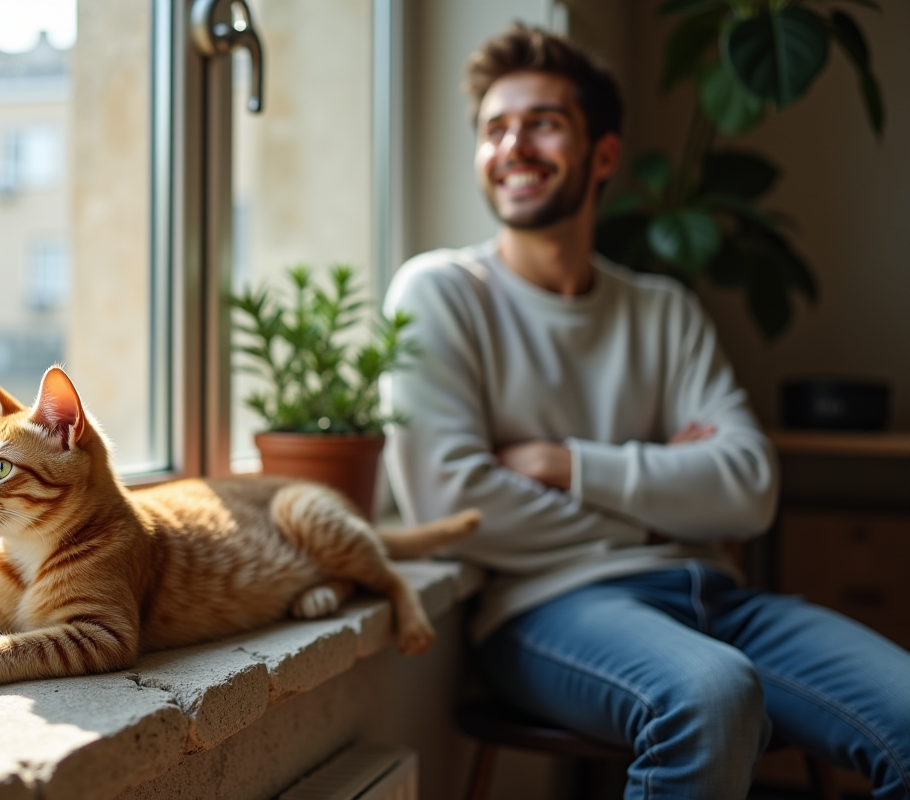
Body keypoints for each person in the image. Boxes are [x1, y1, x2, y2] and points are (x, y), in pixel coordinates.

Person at [383, 22, 910, 800]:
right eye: (495, 128)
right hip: (551, 607)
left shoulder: (662, 310)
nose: (514, 146)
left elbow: (749, 486)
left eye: (543, 123)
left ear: (603, 154)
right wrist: (664, 509)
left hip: (717, 596)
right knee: (711, 696)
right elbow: (451, 503)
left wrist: (567, 466)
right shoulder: (442, 294)